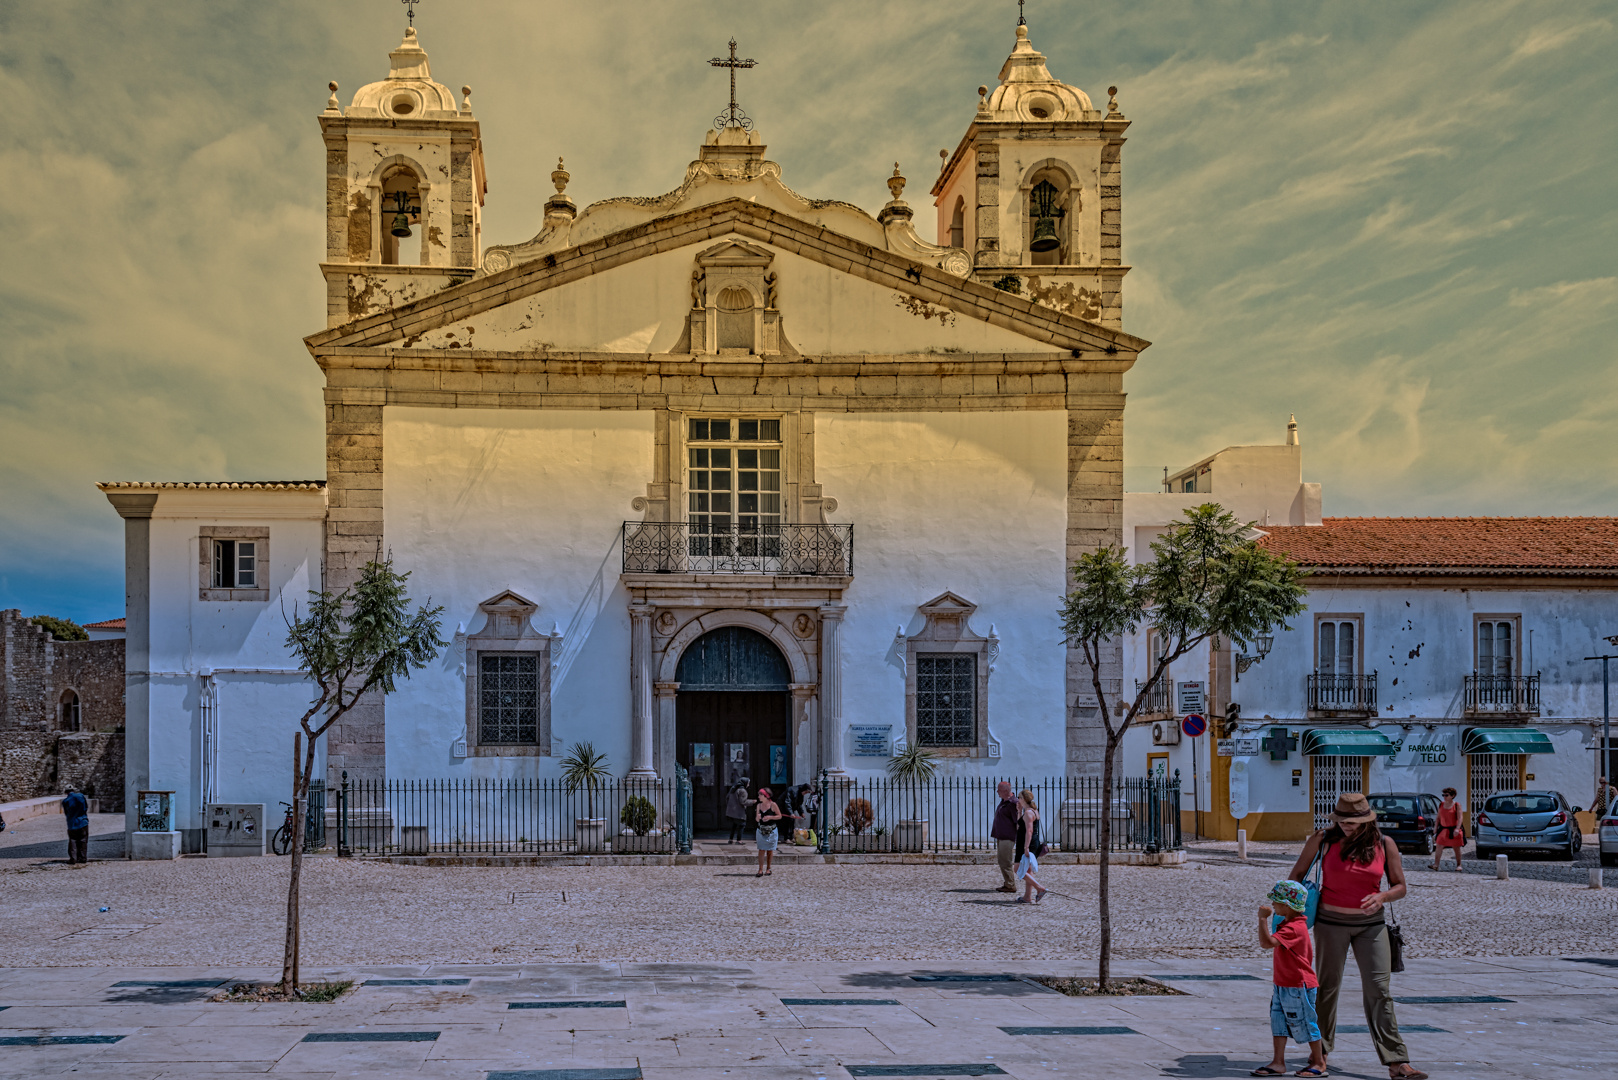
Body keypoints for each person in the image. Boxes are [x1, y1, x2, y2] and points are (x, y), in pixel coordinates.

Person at [1289, 793, 1425, 1080]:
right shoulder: (1323, 840)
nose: (1346, 826)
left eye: (1351, 821)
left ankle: (1397, 1060)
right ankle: (1319, 1056)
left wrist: (1383, 896)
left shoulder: (1384, 844)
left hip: (1371, 926)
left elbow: (1400, 886)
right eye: (1341, 820)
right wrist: (1288, 911)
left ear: (1365, 820)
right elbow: (1296, 876)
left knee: (1379, 990)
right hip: (1329, 923)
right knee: (1326, 988)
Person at [1253, 880, 1326, 1078]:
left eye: (1276, 902)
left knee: (1306, 1022)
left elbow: (1267, 943)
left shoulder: (1294, 928)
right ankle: (1278, 1062)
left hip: (1297, 985)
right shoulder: (1288, 923)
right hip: (1283, 984)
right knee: (1278, 1022)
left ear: (1287, 905)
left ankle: (1319, 1062)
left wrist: (1262, 920)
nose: (1273, 905)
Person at [1012, 788, 1048, 905]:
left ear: (1023, 799)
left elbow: (1029, 831)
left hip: (1026, 843)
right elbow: (1020, 827)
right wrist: (1018, 811)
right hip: (1030, 843)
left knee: (1017, 869)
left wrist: (1026, 848)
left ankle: (1040, 888)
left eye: (1019, 797)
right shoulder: (1032, 811)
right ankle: (1027, 897)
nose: (1018, 799)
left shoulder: (1028, 813)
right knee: (1027, 869)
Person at [753, 786, 789, 876]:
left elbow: (779, 816)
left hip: (771, 831)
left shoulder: (773, 805)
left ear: (766, 796)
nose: (758, 797)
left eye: (760, 795)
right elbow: (756, 819)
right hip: (761, 830)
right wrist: (758, 818)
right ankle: (760, 869)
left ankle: (768, 868)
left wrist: (770, 817)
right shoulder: (759, 805)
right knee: (761, 849)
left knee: (770, 850)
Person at [990, 781, 1018, 893]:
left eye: (999, 790)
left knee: (1005, 861)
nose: (997, 792)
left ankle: (1010, 885)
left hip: (1008, 837)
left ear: (1006, 791)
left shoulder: (1013, 803)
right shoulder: (1004, 802)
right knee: (1002, 860)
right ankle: (1008, 883)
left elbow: (1018, 822)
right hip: (1001, 836)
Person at [1429, 787, 1465, 872]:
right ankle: (1436, 865)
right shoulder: (1441, 804)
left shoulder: (1457, 805)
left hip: (1453, 829)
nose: (1444, 797)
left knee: (1456, 848)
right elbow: (1438, 817)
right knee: (1439, 846)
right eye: (1443, 795)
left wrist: (1457, 829)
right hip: (1443, 829)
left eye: (1446, 795)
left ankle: (1459, 865)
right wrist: (1435, 828)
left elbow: (1460, 818)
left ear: (1452, 796)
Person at [62, 786, 90, 866]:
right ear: (73, 790)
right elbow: (86, 807)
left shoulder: (65, 801)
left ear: (66, 792)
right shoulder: (81, 796)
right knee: (83, 840)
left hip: (72, 824)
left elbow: (66, 813)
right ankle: (83, 857)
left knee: (73, 840)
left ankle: (73, 858)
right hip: (83, 821)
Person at [724, 777, 751, 844]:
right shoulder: (743, 791)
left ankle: (731, 839)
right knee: (742, 825)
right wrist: (752, 802)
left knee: (734, 825)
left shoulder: (733, 789)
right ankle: (739, 840)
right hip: (739, 811)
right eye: (748, 783)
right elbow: (743, 802)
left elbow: (727, 798)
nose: (748, 785)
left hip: (732, 811)